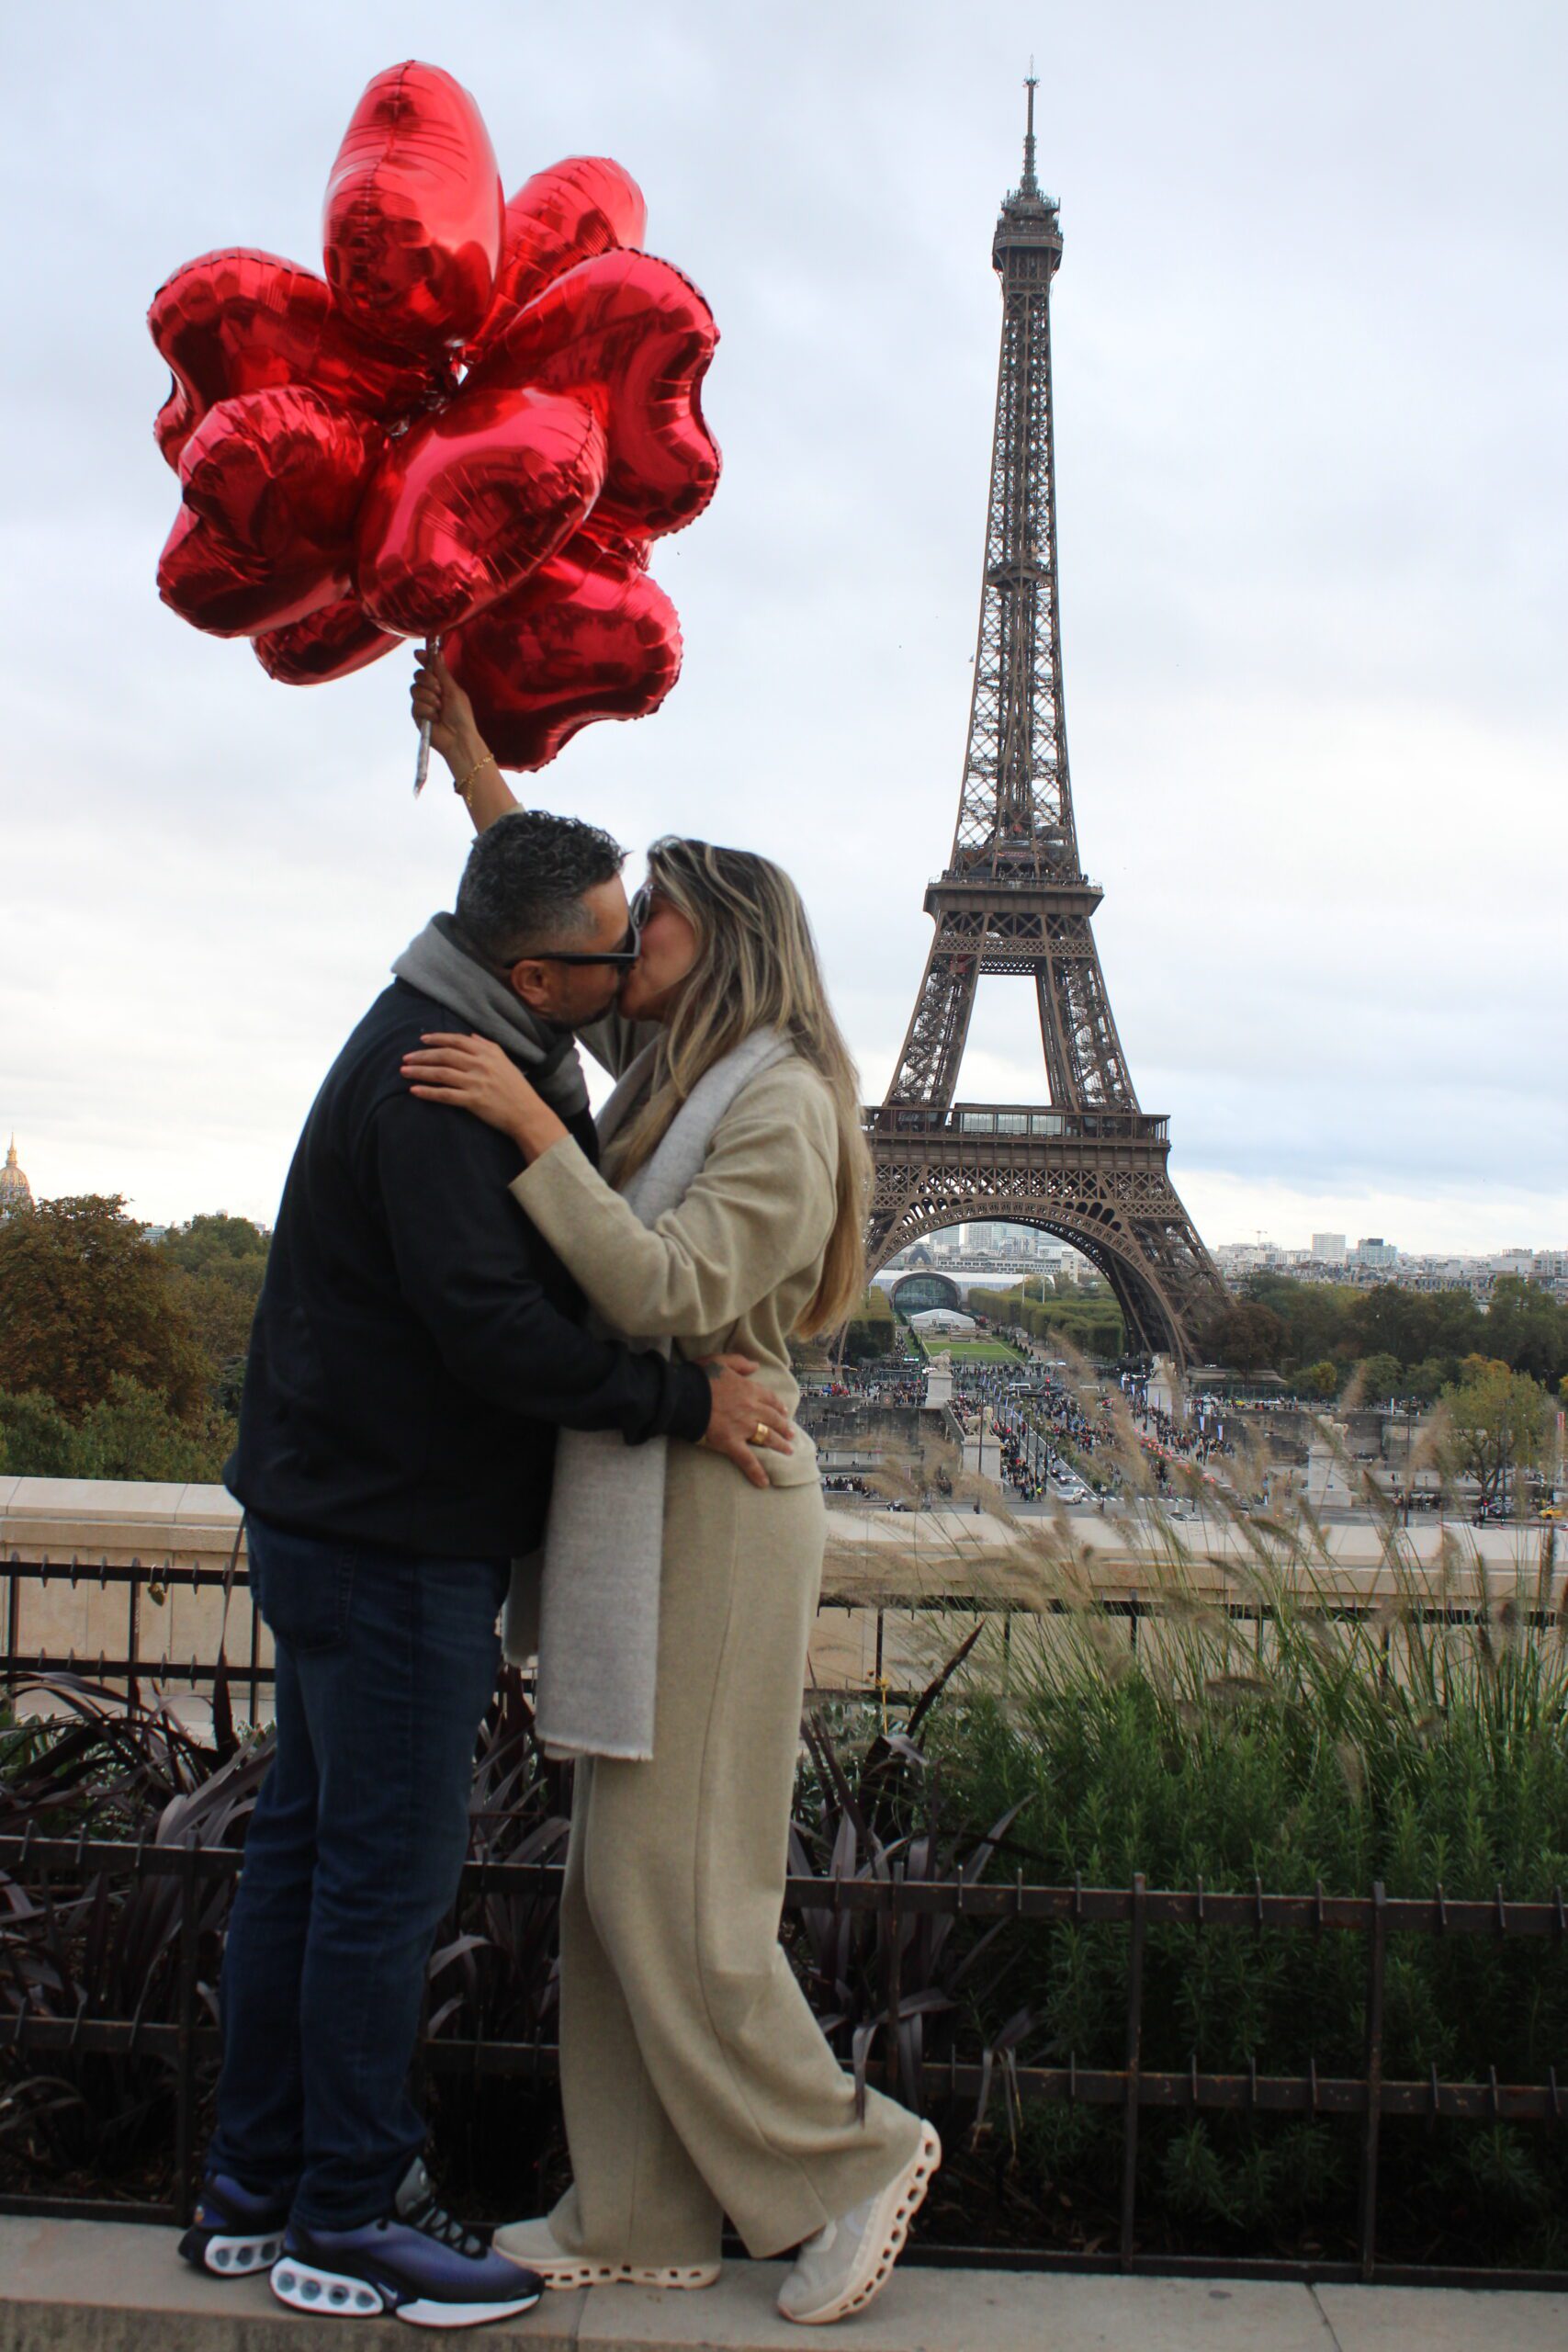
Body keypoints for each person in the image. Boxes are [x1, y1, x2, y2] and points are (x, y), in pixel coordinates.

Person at [186, 808, 795, 2330]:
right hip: (395, 1538)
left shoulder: (463, 1020)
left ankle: (255, 2188)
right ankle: (349, 2217)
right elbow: (497, 1337)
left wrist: (470, 759)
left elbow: (547, 901)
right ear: (538, 974)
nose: (631, 959)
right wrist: (686, 1401)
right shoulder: (446, 1088)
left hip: (339, 1514)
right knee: (382, 1884)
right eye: (613, 943)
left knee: (309, 1860)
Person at [398, 653, 941, 2328]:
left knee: (680, 1887)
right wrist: (472, 759)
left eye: (658, 923)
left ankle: (850, 2159)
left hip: (720, 1501)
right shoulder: (691, 1074)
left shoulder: (779, 1101)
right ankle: (639, 2207)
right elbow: (548, 920)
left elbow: (673, 1290)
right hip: (654, 1498)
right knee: (611, 1884)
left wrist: (530, 1129)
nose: (628, 943)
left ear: (731, 940)